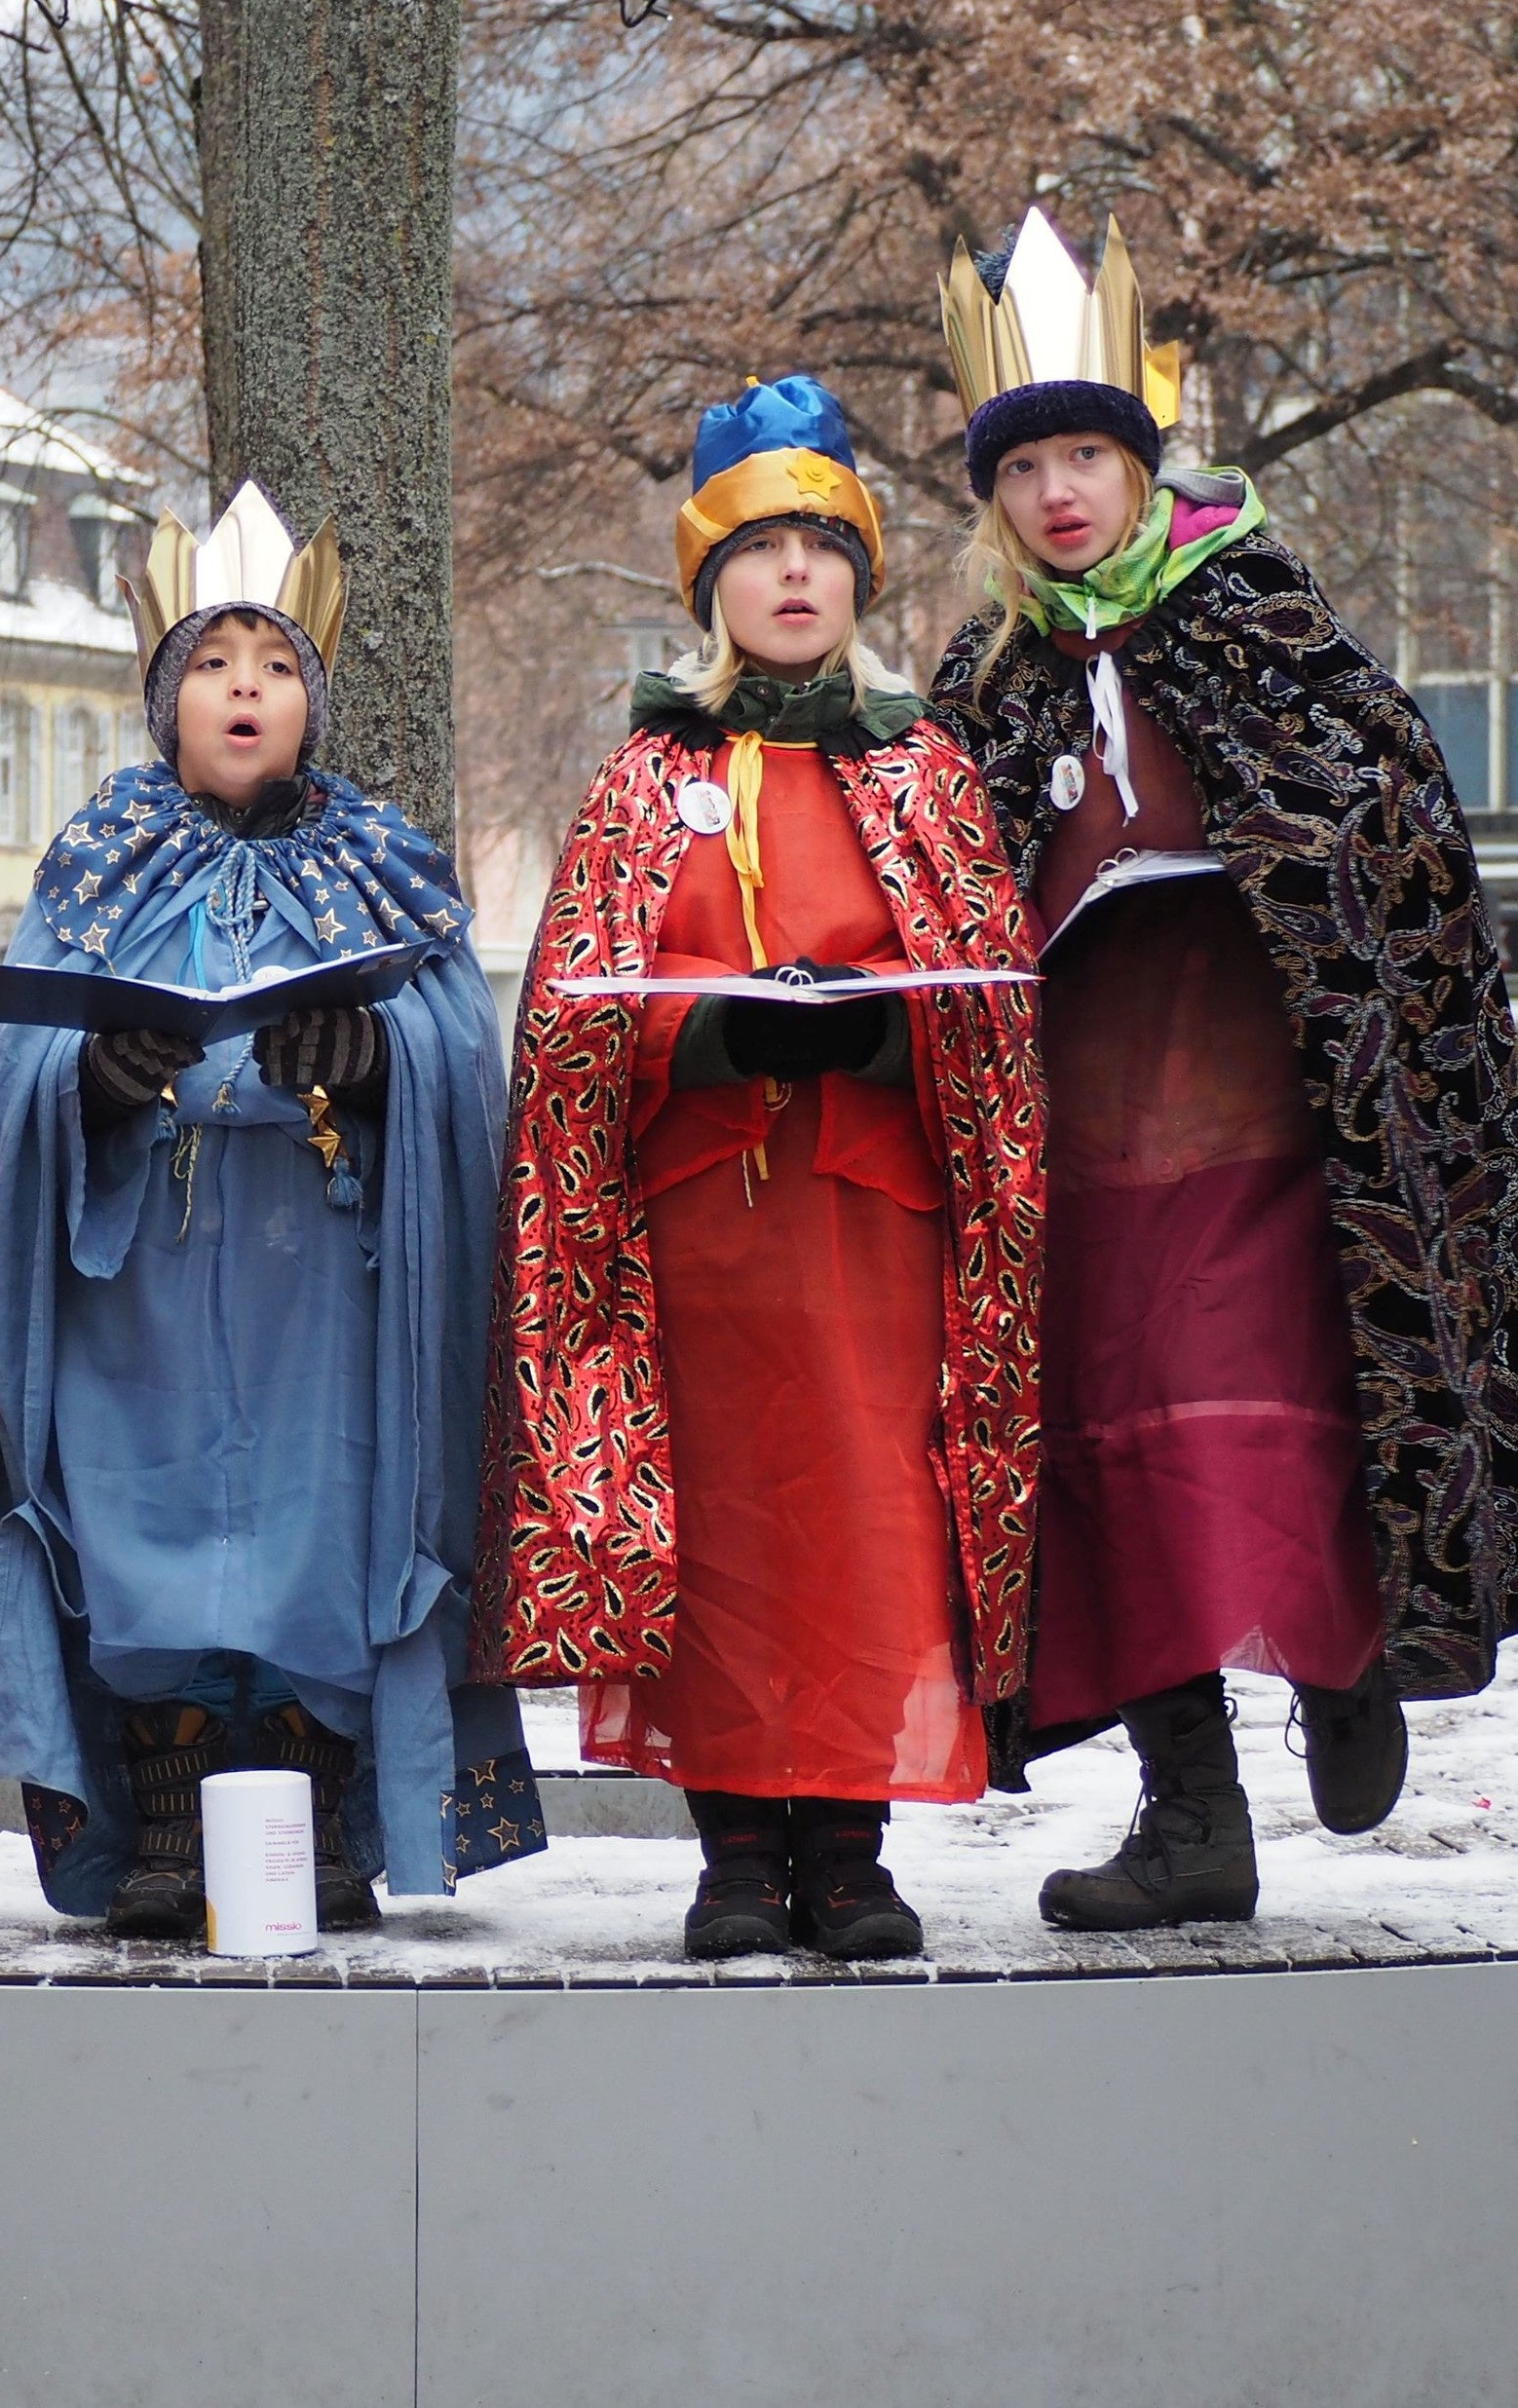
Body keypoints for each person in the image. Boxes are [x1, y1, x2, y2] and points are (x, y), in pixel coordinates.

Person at [925, 211, 1518, 1929]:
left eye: (1086, 452)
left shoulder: (1261, 619)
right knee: (1108, 1452)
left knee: (1291, 1417)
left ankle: (1346, 1659)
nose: (1058, 494)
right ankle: (1192, 1814)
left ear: (1140, 460)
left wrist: (1272, 860)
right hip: (1083, 1161)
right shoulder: (984, 681)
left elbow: (1393, 832)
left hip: (1274, 1128)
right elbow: (932, 906)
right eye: (1025, 466)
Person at [478, 378, 1045, 1960]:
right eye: (760, 546)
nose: (794, 573)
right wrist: (705, 1044)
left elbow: (993, 1020)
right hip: (697, 1242)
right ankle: (735, 1852)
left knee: (869, 1535)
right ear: (709, 582)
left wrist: (879, 1045)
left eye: (823, 545)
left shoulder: (927, 774)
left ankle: (849, 1851)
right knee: (721, 1541)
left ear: (860, 579)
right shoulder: (641, 786)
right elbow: (575, 1034)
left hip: (875, 1232)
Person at [0, 483, 542, 1938]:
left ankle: (307, 1783)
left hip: (323, 1279)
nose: (247, 686)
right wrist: (90, 1080)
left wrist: (372, 1072)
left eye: (277, 662)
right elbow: (15, 1065)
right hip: (139, 1286)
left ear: (314, 696)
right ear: (167, 696)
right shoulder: (95, 863)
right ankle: (165, 1795)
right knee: (132, 1502)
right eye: (217, 661)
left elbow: (460, 1058)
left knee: (319, 1510)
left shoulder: (385, 863)